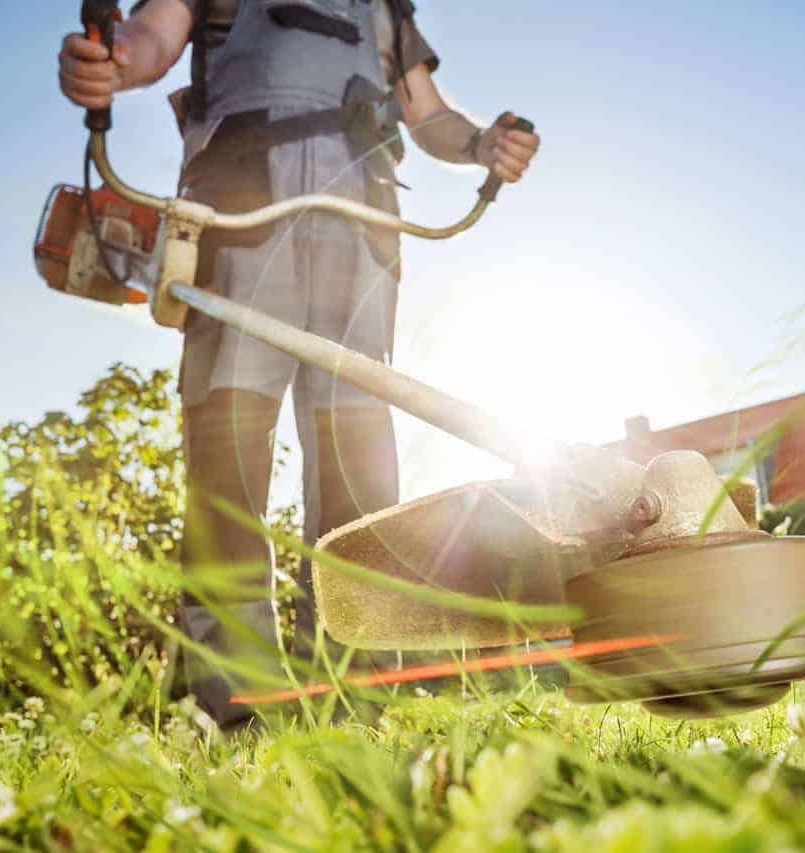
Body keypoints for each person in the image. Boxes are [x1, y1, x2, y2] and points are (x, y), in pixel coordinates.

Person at [57, 0, 540, 730]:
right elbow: (150, 39)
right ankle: (239, 716)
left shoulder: (384, 7)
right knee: (229, 464)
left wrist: (481, 142)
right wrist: (111, 62)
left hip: (362, 224)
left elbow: (427, 112)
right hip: (241, 210)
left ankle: (360, 709)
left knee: (362, 478)